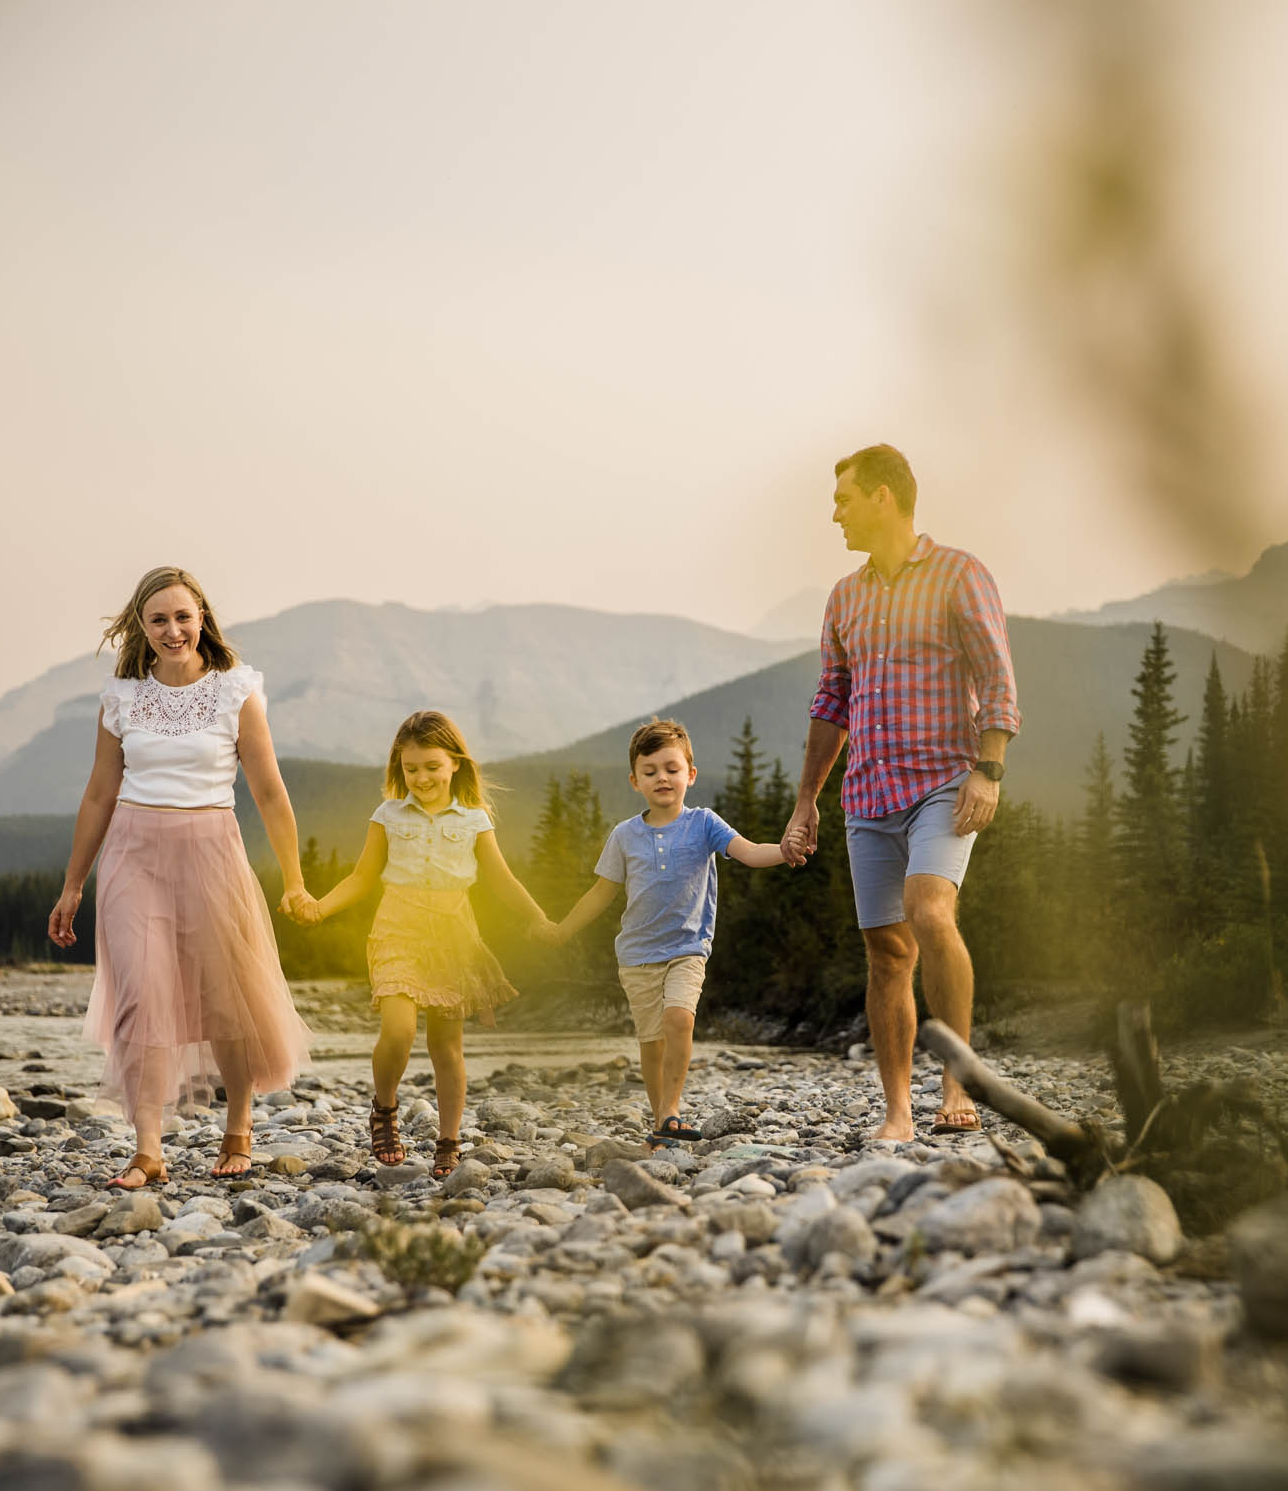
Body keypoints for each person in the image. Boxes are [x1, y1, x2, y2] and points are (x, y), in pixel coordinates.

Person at [782, 444, 1021, 1143]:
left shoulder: (959, 574)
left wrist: (989, 770)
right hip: (866, 795)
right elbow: (831, 703)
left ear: (882, 497)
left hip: (944, 782)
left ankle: (958, 1084)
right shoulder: (844, 597)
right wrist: (807, 800)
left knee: (929, 911)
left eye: (844, 500)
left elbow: (997, 678)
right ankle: (897, 1113)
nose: (835, 514)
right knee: (887, 954)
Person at [47, 566, 313, 1187]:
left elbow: (270, 794)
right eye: (159, 619)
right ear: (140, 627)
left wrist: (295, 880)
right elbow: (98, 795)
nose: (173, 630)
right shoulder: (121, 699)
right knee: (140, 994)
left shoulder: (236, 692)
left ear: (202, 619)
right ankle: (147, 1150)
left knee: (225, 995)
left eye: (183, 617)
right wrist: (73, 884)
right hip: (132, 855)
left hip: (211, 852)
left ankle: (238, 1125)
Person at [288, 710, 550, 1179]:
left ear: (455, 763)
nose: (422, 777)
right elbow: (362, 877)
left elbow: (503, 880)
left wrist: (538, 918)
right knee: (399, 1029)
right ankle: (385, 1110)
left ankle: (448, 1142)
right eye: (411, 769)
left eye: (432, 766)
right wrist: (320, 909)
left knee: (446, 1047)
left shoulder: (475, 820)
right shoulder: (388, 815)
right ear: (399, 768)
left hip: (453, 937)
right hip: (398, 930)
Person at [544, 718, 786, 1148]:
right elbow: (601, 893)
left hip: (688, 948)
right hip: (636, 955)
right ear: (635, 781)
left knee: (679, 1017)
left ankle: (671, 1108)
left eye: (672, 769)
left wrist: (785, 851)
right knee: (651, 1041)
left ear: (690, 774)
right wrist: (562, 931)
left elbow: (749, 852)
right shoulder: (624, 835)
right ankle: (662, 1122)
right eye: (650, 771)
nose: (662, 778)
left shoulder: (704, 824)